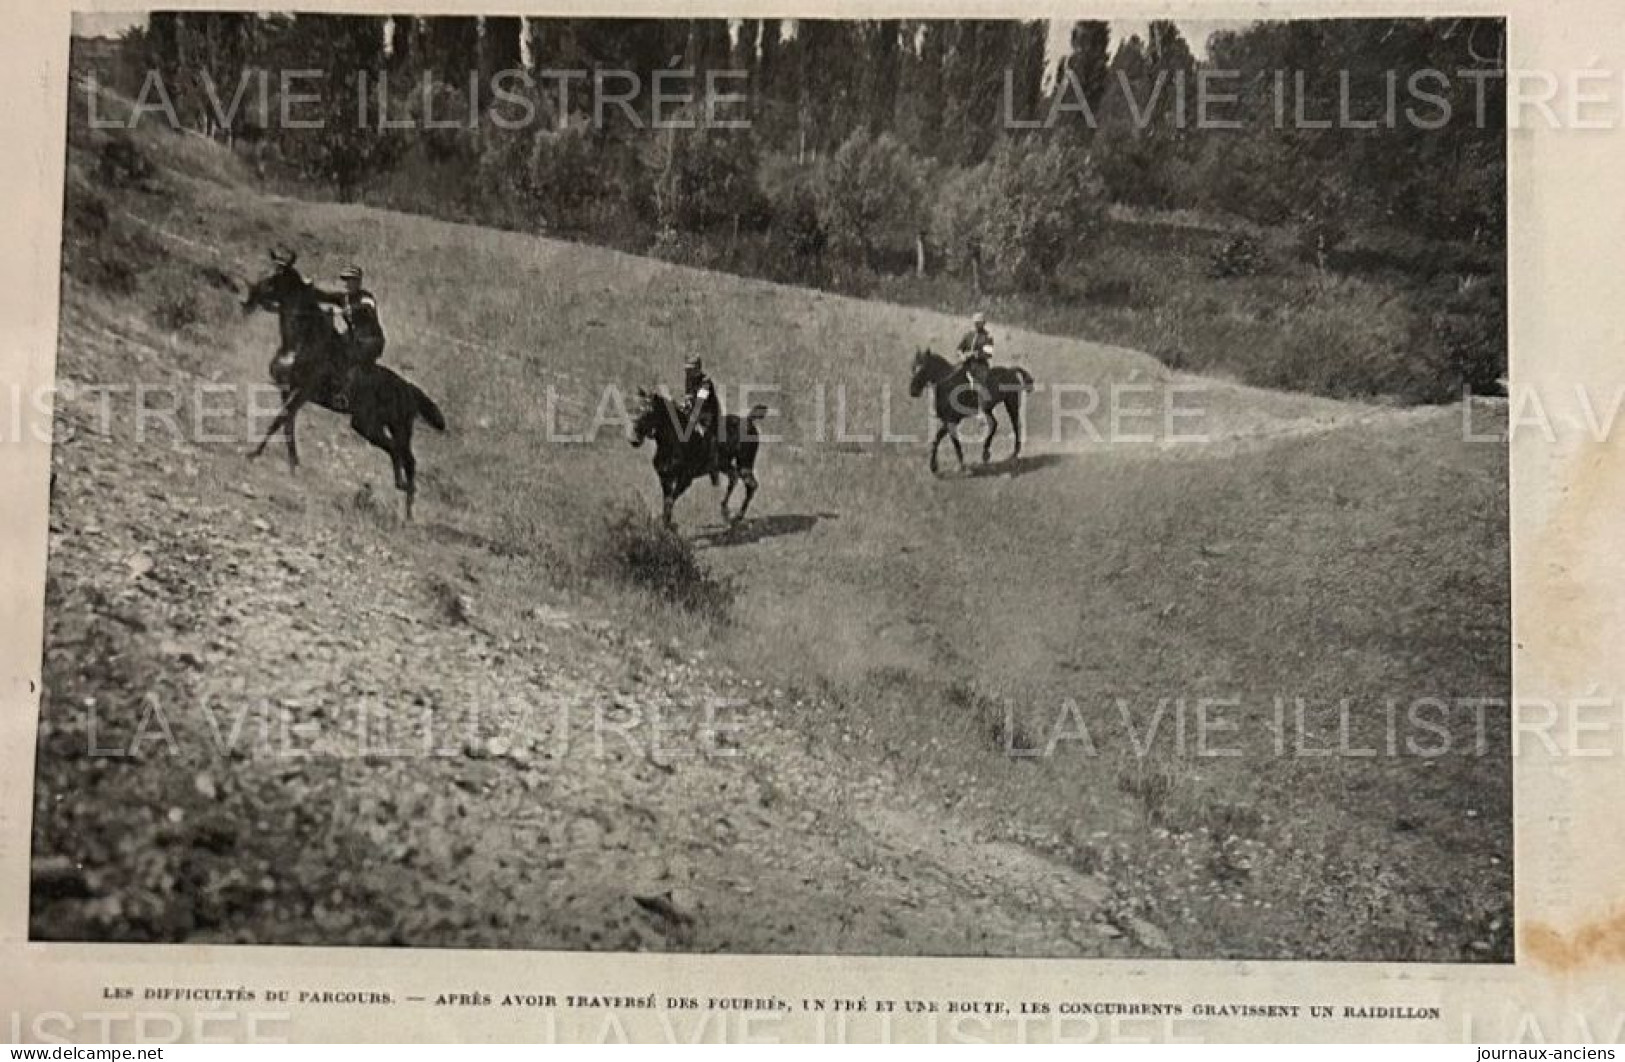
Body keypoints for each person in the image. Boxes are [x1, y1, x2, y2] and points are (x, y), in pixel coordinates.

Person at [315, 265, 387, 408]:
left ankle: (345, 395)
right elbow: (323, 296)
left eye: (351, 280)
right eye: (345, 280)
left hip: (370, 340)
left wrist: (347, 310)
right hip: (353, 338)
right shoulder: (343, 298)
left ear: (358, 282)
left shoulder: (365, 297)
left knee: (353, 359)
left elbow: (367, 307)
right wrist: (306, 287)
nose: (347, 284)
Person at [681, 355, 722, 486]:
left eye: (691, 369)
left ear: (698, 369)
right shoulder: (689, 379)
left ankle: (713, 467)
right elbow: (688, 398)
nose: (688, 372)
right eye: (687, 370)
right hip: (695, 412)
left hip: (708, 415)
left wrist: (692, 412)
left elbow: (700, 402)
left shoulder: (706, 382)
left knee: (708, 438)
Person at [957, 311, 995, 388]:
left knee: (978, 386)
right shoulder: (969, 335)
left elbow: (988, 354)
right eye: (975, 322)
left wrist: (973, 354)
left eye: (979, 323)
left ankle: (980, 398)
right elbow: (959, 348)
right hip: (966, 364)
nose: (976, 324)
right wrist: (961, 355)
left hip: (980, 366)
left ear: (983, 323)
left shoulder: (987, 337)